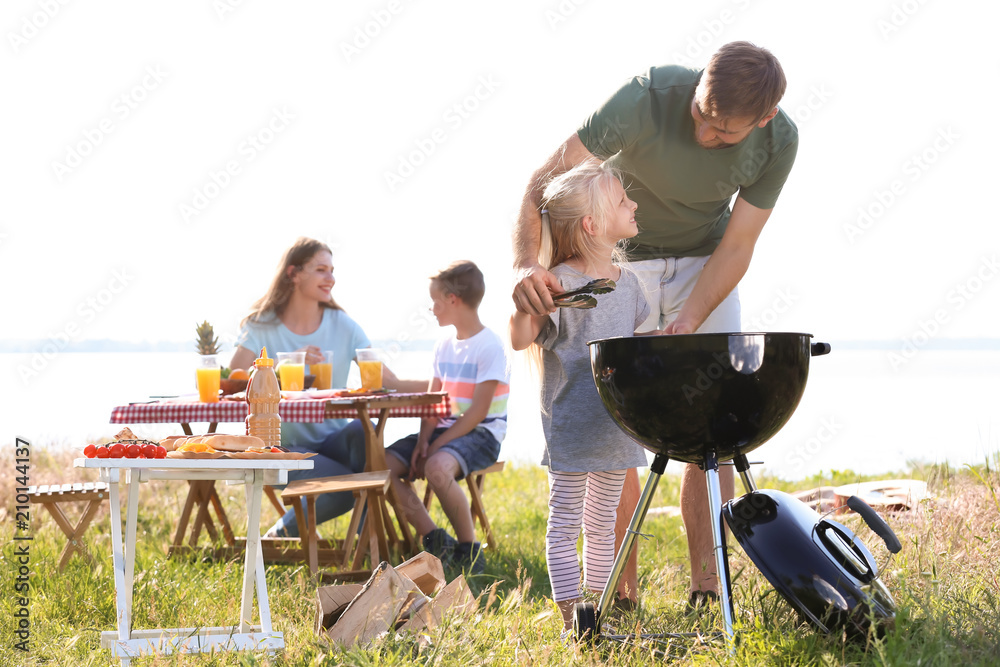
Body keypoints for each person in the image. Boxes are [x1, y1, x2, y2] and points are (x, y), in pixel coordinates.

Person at [511, 42, 799, 609]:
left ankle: (708, 587)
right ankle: (618, 594)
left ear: (762, 119)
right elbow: (545, 180)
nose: (705, 135)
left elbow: (739, 243)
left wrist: (691, 316)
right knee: (617, 418)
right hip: (619, 259)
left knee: (713, 426)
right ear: (697, 88)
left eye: (723, 134)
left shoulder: (778, 140)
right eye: (700, 116)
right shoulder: (645, 97)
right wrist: (526, 263)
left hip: (705, 263)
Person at [509, 160, 652, 632]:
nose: (633, 204)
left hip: (617, 424)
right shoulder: (557, 283)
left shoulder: (628, 284)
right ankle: (574, 616)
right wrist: (525, 302)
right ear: (592, 224)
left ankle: (598, 609)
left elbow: (638, 349)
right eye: (621, 200)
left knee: (603, 520)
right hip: (572, 424)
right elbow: (521, 336)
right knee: (566, 519)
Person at [229, 237, 424, 538]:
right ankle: (287, 536)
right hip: (281, 448)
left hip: (334, 442)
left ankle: (368, 543)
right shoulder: (261, 325)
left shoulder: (343, 325)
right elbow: (234, 380)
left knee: (364, 430)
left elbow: (389, 382)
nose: (330, 278)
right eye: (321, 270)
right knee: (352, 483)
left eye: (332, 270)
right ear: (294, 274)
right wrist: (280, 367)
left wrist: (450, 384)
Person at [385, 260, 509, 574]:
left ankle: (470, 552)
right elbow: (434, 401)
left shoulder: (490, 346)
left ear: (452, 300)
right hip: (444, 431)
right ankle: (438, 541)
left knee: (437, 466)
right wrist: (423, 442)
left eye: (435, 301)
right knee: (380, 466)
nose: (432, 308)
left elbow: (478, 412)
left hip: (481, 433)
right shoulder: (442, 346)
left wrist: (437, 446)